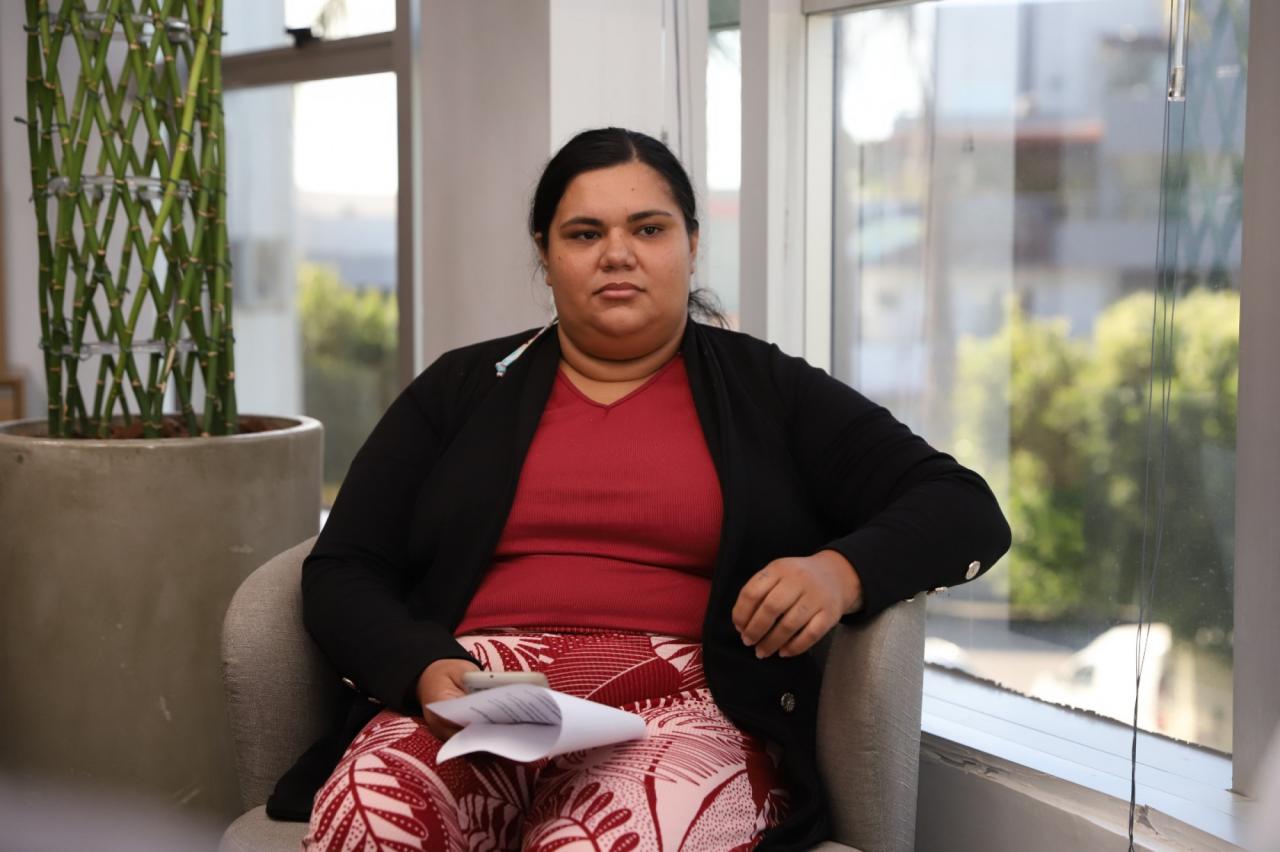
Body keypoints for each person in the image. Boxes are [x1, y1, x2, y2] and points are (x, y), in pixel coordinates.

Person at [272, 127, 1011, 851]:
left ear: (692, 244)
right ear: (545, 254)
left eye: (649, 229)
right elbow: (344, 566)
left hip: (687, 710)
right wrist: (426, 671)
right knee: (370, 824)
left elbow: (962, 506)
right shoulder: (462, 387)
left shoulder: (768, 390)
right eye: (584, 233)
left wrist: (840, 571)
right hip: (477, 699)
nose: (618, 253)